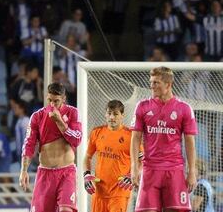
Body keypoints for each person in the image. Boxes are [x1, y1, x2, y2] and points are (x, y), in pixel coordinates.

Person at [130, 66, 198, 212]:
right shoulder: (142, 107)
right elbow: (135, 138)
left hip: (174, 170)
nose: (151, 86)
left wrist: (191, 171)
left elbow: (190, 142)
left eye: (156, 83)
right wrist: (134, 168)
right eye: (151, 82)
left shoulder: (184, 109)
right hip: (150, 170)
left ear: (168, 85)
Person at [19, 82, 82, 212]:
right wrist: (23, 170)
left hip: (66, 172)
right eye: (50, 100)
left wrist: (59, 121)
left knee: (66, 210)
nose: (52, 104)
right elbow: (29, 144)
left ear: (64, 99)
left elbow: (76, 140)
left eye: (56, 101)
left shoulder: (73, 113)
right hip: (45, 173)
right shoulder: (37, 116)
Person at [84, 100, 143, 212]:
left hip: (119, 192)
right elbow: (87, 156)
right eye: (109, 113)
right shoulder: (97, 132)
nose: (111, 117)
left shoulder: (131, 136)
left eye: (115, 114)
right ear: (105, 114)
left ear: (122, 115)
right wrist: (86, 175)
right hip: (99, 191)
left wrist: (132, 174)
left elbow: (142, 161)